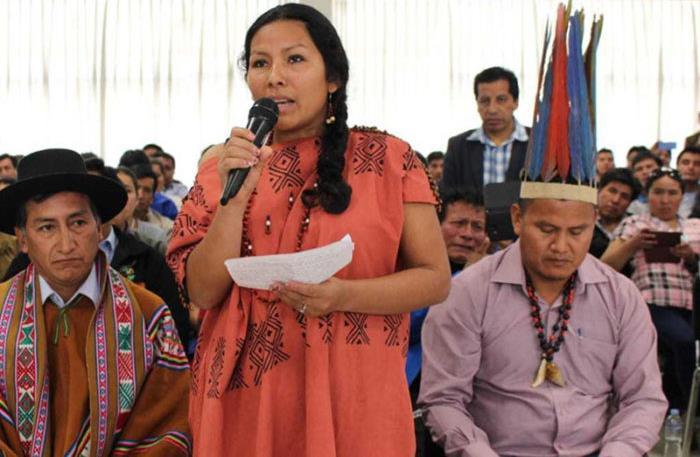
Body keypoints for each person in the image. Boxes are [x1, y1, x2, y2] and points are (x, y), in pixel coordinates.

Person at [166, 4, 450, 456]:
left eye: (294, 59)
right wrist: (234, 199)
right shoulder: (224, 164)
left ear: (332, 77)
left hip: (352, 389)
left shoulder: (390, 160)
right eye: (260, 63)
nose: (274, 77)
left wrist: (342, 296)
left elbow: (435, 279)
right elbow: (201, 291)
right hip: (245, 395)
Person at [419, 9, 666, 456]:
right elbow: (444, 400)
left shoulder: (620, 297)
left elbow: (643, 400)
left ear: (594, 225)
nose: (561, 246)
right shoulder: (468, 294)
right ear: (517, 219)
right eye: (547, 228)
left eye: (578, 231)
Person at [0, 148, 190, 455]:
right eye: (47, 227)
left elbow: (167, 430)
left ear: (100, 228)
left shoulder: (148, 316)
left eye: (78, 223)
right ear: (23, 239)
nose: (66, 244)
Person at [602, 167, 700, 410]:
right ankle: (694, 409)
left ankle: (677, 408)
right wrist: (634, 244)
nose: (665, 200)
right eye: (658, 192)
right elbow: (606, 265)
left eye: (672, 193)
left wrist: (691, 258)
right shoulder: (636, 223)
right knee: (684, 341)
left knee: (681, 346)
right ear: (647, 195)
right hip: (650, 302)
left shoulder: (695, 226)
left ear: (682, 195)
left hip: (692, 304)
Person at [407, 187, 488, 456]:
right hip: (416, 388)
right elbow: (411, 327)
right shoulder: (411, 264)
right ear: (436, 226)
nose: (468, 234)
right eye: (458, 223)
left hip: (477, 397)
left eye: (477, 226)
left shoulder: (495, 274)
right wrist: (465, 279)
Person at [442, 66, 530, 190]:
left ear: (515, 102)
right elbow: (447, 195)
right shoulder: (458, 147)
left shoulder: (538, 144)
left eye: (501, 100)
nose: (492, 109)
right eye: (484, 101)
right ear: (477, 103)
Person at [589, 168, 640, 260]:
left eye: (624, 196)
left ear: (630, 202)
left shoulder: (636, 225)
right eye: (612, 191)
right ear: (599, 190)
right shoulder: (583, 220)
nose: (616, 200)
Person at [132, 164, 175, 233]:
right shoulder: (115, 221)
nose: (140, 195)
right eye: (136, 188)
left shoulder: (167, 227)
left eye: (147, 190)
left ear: (152, 198)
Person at [627, 149, 661, 215]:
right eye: (639, 169)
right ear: (635, 175)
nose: (645, 172)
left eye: (649, 167)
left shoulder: (676, 196)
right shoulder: (633, 206)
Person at [676, 146, 700, 218]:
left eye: (697, 164)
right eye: (686, 163)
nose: (691, 167)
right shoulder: (663, 193)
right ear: (677, 166)